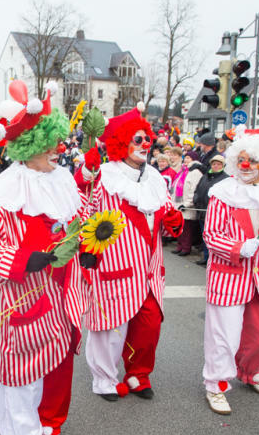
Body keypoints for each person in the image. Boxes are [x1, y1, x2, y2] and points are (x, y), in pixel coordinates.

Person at [0, 80, 87, 435]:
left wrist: (89, 248)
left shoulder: (65, 181)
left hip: (65, 295)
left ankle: (51, 421)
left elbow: (84, 223)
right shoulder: (4, 192)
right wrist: (24, 260)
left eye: (57, 140)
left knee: (59, 365)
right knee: (20, 369)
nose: (58, 148)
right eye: (49, 142)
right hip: (25, 299)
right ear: (29, 145)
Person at [74, 103, 183, 402]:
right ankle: (105, 379)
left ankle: (138, 374)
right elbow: (82, 207)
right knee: (109, 329)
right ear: (122, 142)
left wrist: (174, 221)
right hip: (113, 268)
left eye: (147, 139)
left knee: (149, 325)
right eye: (137, 140)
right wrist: (86, 252)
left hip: (149, 270)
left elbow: (167, 211)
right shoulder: (104, 177)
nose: (145, 145)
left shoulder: (156, 179)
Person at [202, 123, 259, 415]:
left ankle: (250, 370)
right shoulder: (222, 192)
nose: (246, 165)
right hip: (229, 277)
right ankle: (216, 384)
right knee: (224, 336)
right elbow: (211, 234)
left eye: (253, 160)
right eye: (242, 158)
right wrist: (237, 248)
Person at [193, 154, 229, 266]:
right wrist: (196, 199)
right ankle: (205, 256)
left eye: (218, 164)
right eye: (214, 164)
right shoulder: (205, 176)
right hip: (201, 210)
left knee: (214, 237)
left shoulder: (225, 179)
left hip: (215, 213)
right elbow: (197, 189)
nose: (216, 166)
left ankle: (212, 258)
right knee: (205, 236)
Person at [171, 152, 204, 256]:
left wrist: (187, 203)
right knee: (179, 227)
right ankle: (180, 245)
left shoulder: (195, 171)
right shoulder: (184, 170)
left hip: (186, 205)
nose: (186, 160)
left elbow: (193, 189)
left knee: (187, 229)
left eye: (188, 158)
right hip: (178, 203)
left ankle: (186, 247)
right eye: (185, 158)